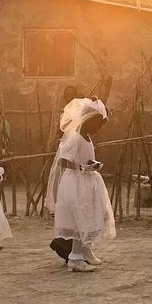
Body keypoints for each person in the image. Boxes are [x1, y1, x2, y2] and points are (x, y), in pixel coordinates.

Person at [46, 98, 116, 272]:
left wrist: (92, 164)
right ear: (88, 120)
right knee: (79, 220)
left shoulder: (87, 138)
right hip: (76, 182)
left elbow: (84, 158)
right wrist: (81, 167)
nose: (99, 128)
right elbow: (63, 161)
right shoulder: (75, 138)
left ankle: (85, 248)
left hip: (87, 181)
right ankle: (75, 258)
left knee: (91, 215)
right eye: (98, 123)